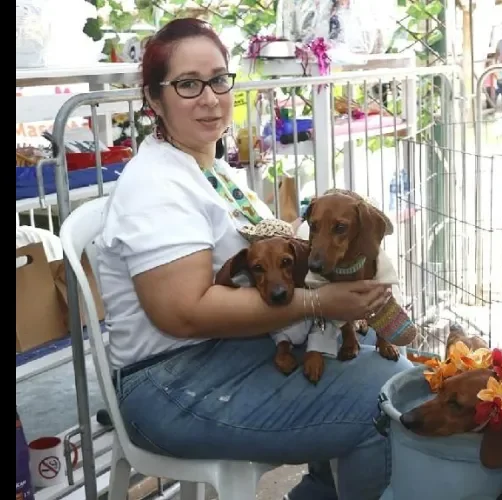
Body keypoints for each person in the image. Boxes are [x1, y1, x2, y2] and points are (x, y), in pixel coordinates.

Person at [95, 17, 413, 500]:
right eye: (187, 84)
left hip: (229, 351)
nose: (209, 97)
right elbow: (183, 313)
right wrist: (318, 304)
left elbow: (271, 252)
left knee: (390, 363)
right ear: (154, 100)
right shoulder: (155, 185)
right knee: (388, 402)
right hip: (174, 383)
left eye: (219, 79)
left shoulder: (211, 167)